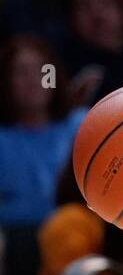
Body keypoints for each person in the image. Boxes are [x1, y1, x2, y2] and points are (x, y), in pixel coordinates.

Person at [0, 35, 88, 229]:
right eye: (21, 72)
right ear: (6, 82)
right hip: (15, 236)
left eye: (43, 71)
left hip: (75, 232)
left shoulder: (82, 125)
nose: (33, 80)